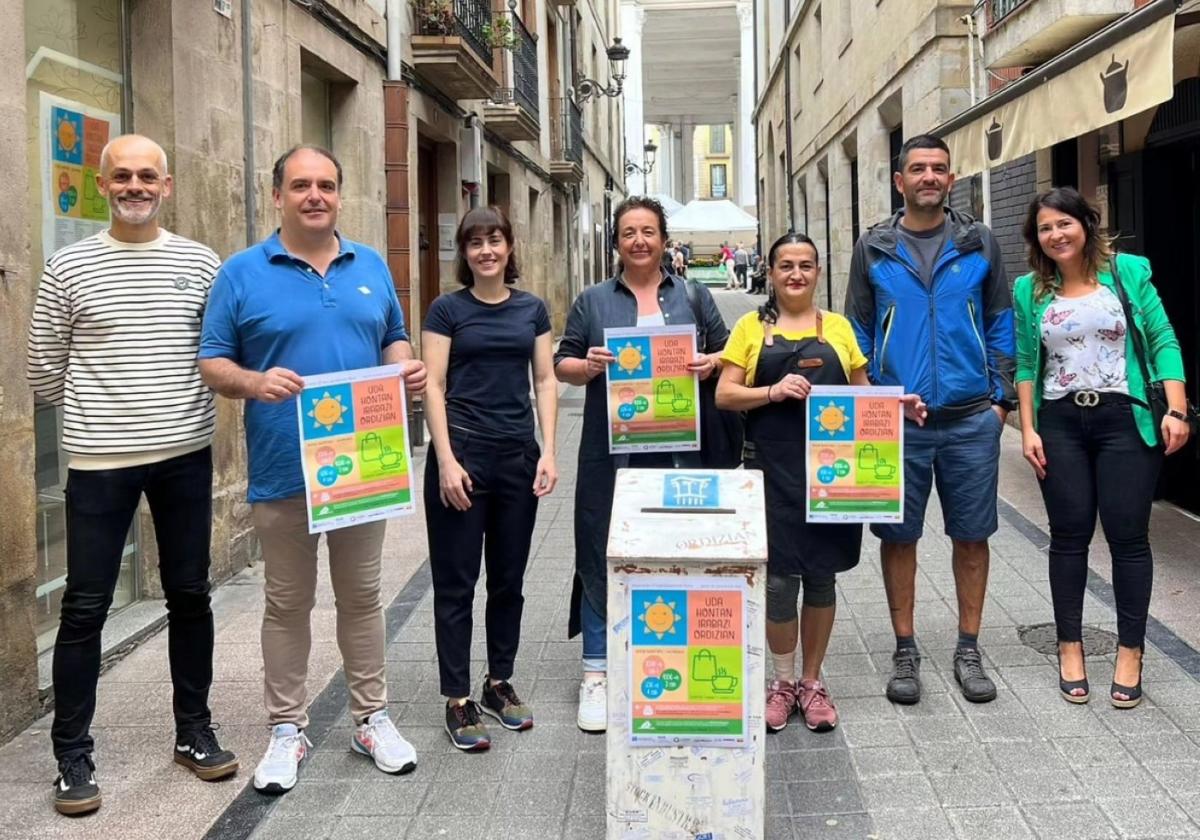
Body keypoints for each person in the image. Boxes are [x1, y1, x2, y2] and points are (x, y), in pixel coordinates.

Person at [198, 145, 427, 794]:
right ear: (278, 196)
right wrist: (255, 380)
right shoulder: (242, 273)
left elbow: (392, 336)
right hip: (283, 468)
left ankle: (371, 717)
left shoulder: (371, 266)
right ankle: (286, 729)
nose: (315, 195)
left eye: (326, 184)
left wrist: (404, 367)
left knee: (361, 598)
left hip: (362, 464)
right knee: (287, 604)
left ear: (339, 194)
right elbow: (213, 362)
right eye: (301, 185)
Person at [27, 134, 237, 816]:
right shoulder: (68, 268)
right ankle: (71, 758)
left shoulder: (201, 264)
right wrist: (108, 411)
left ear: (167, 186)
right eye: (122, 176)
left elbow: (217, 350)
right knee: (84, 608)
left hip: (184, 456)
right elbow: (42, 370)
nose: (135, 186)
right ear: (103, 184)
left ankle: (195, 732)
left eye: (148, 176)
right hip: (99, 462)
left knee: (190, 595)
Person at [717, 233, 925, 732]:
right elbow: (725, 394)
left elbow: (863, 394)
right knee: (781, 581)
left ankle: (812, 682)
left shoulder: (838, 328)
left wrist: (897, 406)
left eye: (805, 265)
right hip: (772, 472)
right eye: (786, 265)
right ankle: (782, 681)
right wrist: (772, 390)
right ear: (770, 272)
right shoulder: (750, 327)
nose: (796, 274)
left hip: (833, 474)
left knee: (821, 578)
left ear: (817, 272)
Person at [845, 134, 1016, 706]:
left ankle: (969, 647)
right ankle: (905, 648)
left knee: (972, 537)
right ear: (900, 181)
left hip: (971, 418)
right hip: (900, 421)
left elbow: (1000, 322)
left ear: (950, 178)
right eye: (917, 168)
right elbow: (857, 332)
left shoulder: (979, 242)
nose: (928, 177)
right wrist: (871, 402)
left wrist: (999, 402)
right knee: (899, 538)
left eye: (939, 168)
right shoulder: (873, 247)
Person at [555, 196, 728, 732]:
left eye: (648, 231)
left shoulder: (694, 296)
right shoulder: (592, 302)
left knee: (677, 548)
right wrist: (587, 365)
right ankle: (597, 672)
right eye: (628, 232)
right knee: (601, 549)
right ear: (616, 242)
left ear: (662, 239)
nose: (639, 241)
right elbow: (562, 363)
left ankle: (671, 659)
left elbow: (730, 353)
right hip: (614, 452)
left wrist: (709, 363)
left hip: (681, 451)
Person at [1014, 187, 1189, 708]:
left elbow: (1163, 339)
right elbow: (1026, 362)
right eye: (1045, 228)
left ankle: (1131, 651)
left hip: (1124, 418)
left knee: (1128, 537)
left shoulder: (1128, 273)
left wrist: (1176, 409)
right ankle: (1071, 648)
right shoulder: (1030, 289)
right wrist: (1028, 429)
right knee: (1068, 537)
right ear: (1037, 238)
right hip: (1061, 421)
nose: (1056, 235)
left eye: (1064, 223)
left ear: (1086, 225)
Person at [422, 206, 559, 750]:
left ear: (508, 248)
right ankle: (457, 698)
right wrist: (447, 460)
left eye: (494, 240)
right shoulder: (446, 310)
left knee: (508, 580)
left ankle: (498, 681)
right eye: (475, 242)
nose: (486, 250)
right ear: (465, 252)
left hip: (517, 460)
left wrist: (549, 452)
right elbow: (432, 384)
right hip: (463, 456)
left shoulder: (532, 309)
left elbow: (545, 380)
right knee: (456, 582)